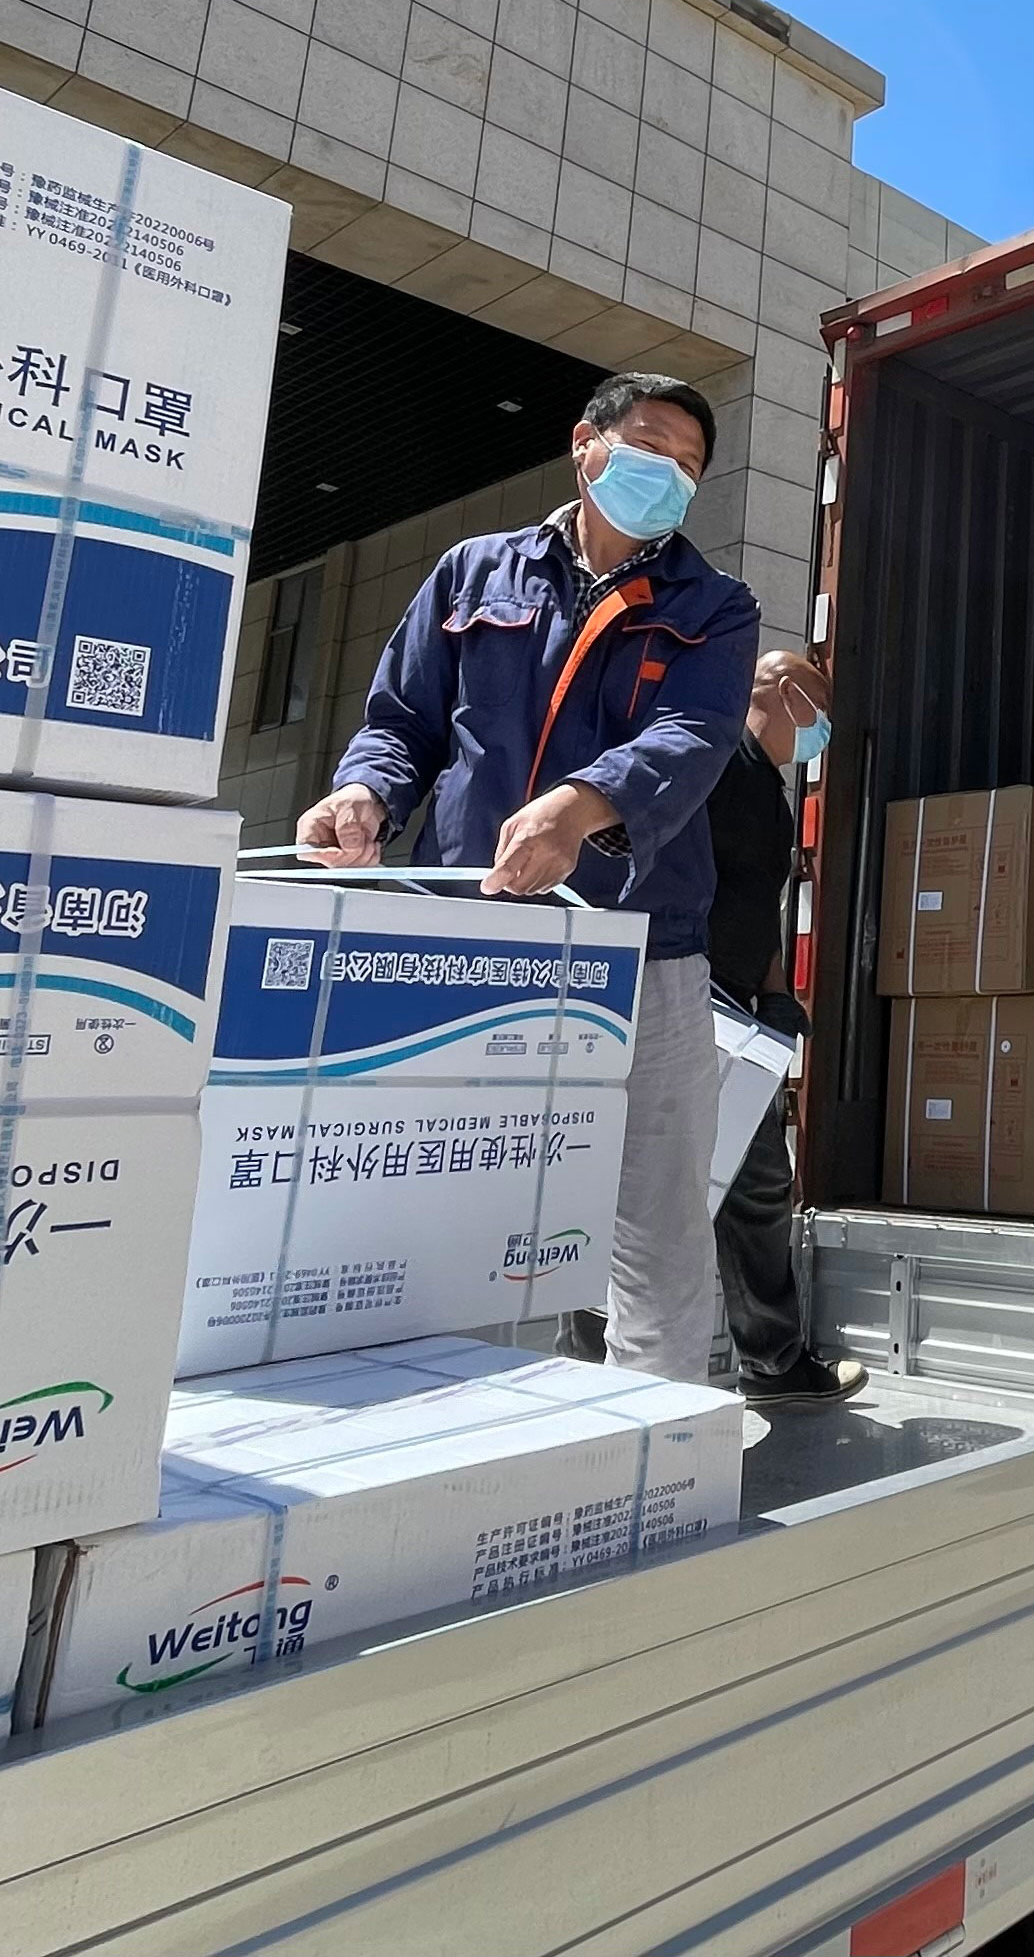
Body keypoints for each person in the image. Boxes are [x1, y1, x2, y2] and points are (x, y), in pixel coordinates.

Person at [298, 372, 759, 1384]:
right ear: (585, 443)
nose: (668, 475)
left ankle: (653, 1429)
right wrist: (364, 793)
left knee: (655, 1218)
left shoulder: (716, 605)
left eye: (688, 466)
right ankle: (450, 1412)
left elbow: (694, 732)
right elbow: (402, 720)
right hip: (470, 940)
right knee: (446, 1194)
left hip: (640, 944)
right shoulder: (473, 572)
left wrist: (581, 807)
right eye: (650, 447)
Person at [702, 647, 866, 1409]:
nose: (822, 728)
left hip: (737, 1012)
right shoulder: (713, 763)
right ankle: (594, 1353)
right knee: (647, 1185)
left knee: (759, 1181)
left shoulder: (771, 793)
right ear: (784, 691)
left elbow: (758, 906)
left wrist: (776, 993)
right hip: (686, 1001)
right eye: (819, 709)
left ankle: (771, 1362)